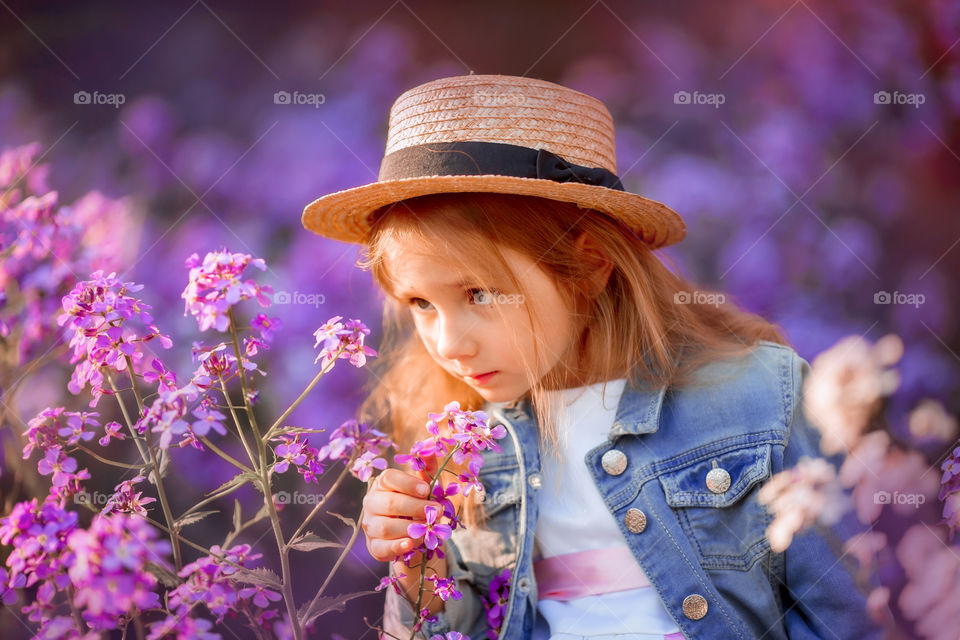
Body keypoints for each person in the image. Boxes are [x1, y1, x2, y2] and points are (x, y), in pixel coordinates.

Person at [300, 74, 882, 640]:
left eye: (480, 293)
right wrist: (416, 576)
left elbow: (849, 612)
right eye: (421, 303)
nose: (450, 344)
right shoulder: (461, 444)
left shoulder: (756, 394)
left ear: (589, 266)